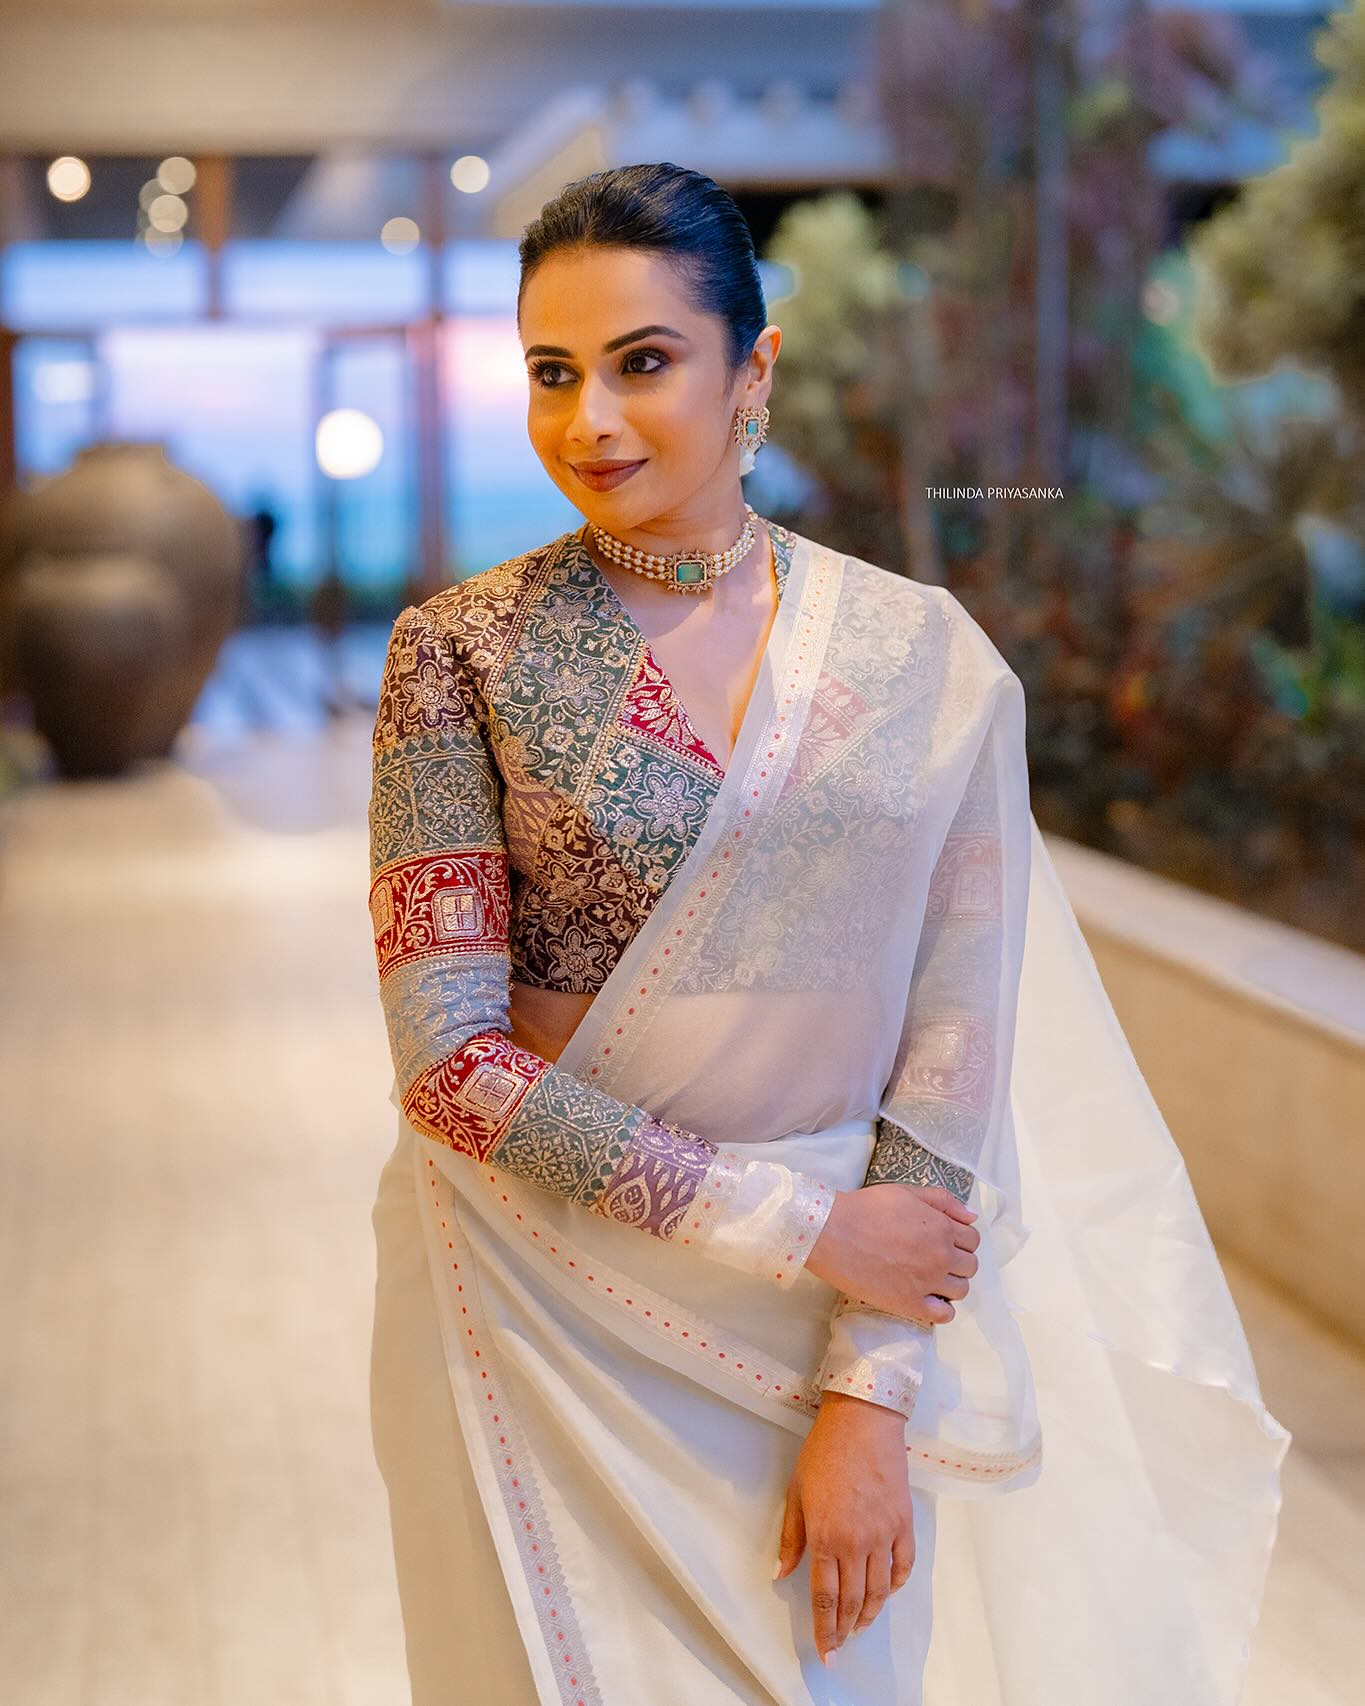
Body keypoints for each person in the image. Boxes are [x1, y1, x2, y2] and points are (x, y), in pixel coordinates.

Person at [366, 163, 1288, 1706]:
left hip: (817, 1345)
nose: (590, 421)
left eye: (642, 361)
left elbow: (953, 1038)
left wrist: (871, 1382)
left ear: (754, 370)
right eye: (551, 372)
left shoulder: (921, 656)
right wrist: (798, 1224)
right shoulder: (459, 654)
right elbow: (447, 1064)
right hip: (537, 1313)